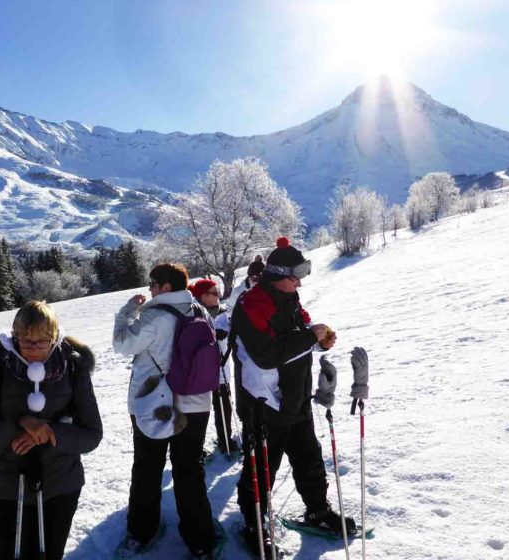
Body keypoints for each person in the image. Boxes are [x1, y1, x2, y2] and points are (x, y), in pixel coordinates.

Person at [229, 237, 355, 558]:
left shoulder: (290, 299)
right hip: (264, 403)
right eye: (296, 274)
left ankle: (317, 510)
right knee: (261, 468)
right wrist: (309, 337)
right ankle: (254, 525)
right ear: (277, 274)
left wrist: (320, 340)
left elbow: (303, 330)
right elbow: (266, 355)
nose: (300, 281)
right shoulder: (251, 304)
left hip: (295, 397)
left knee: (309, 457)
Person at [0, 300, 102, 560]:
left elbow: (91, 435)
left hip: (60, 487)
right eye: (26, 341)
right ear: (14, 337)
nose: (33, 350)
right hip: (7, 489)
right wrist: (18, 423)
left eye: (42, 342)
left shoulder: (73, 368)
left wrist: (47, 432)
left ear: (55, 338)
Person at [113, 263, 219, 559]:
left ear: (166, 287)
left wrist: (127, 312)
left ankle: (141, 532)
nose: (150, 289)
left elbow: (122, 344)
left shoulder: (155, 316)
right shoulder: (201, 312)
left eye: (153, 284)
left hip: (154, 404)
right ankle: (201, 540)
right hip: (196, 403)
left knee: (147, 468)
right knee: (189, 469)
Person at [188, 278, 238, 455]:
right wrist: (213, 336)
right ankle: (195, 448)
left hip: (222, 368)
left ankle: (225, 439)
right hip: (200, 371)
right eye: (214, 293)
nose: (218, 295)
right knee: (199, 410)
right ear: (203, 296)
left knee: (224, 405)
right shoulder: (193, 313)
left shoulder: (224, 312)